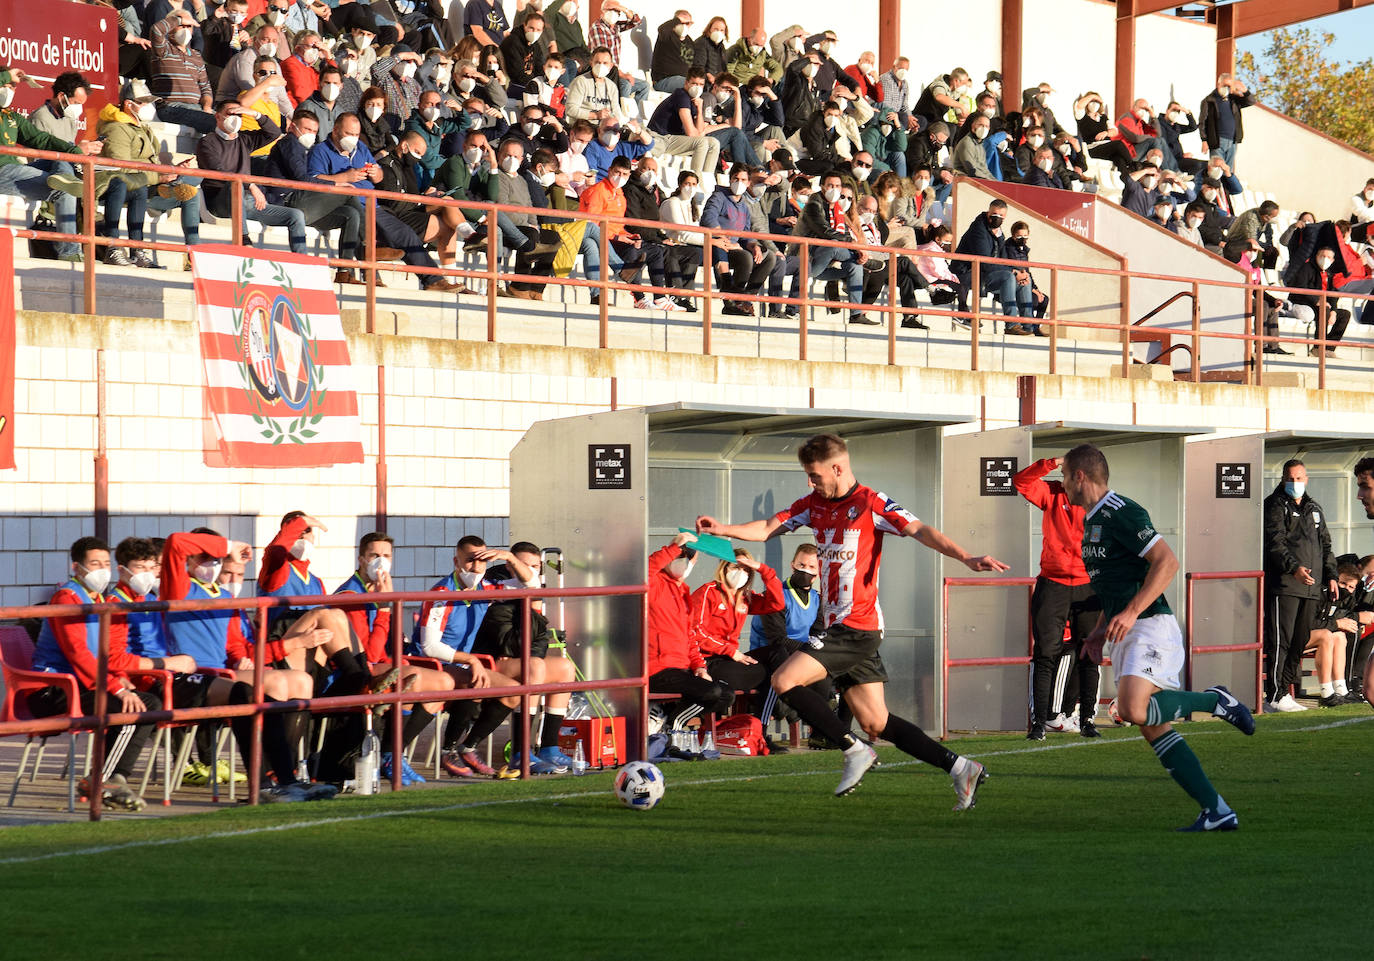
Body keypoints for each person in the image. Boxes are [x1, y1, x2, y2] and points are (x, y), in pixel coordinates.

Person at [696, 433, 1006, 806]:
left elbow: (921, 530)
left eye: (815, 475)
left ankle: (852, 748)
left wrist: (966, 557)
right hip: (836, 629)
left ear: (837, 468)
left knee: (783, 679)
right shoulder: (813, 504)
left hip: (856, 626)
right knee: (877, 722)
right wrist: (721, 529)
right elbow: (766, 528)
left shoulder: (872, 503)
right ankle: (961, 768)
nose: (810, 483)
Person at [1061, 444, 1254, 831]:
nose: (1062, 484)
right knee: (1150, 724)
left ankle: (1214, 701)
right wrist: (1101, 629)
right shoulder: (1092, 520)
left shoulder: (1122, 511)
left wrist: (1131, 612)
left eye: (1064, 475)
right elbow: (1117, 584)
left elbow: (1167, 562)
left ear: (1079, 475)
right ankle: (1216, 810)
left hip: (1150, 625)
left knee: (1130, 710)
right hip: (1127, 631)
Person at [28, 537, 162, 811]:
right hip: (52, 690)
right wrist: (116, 687)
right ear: (76, 567)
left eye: (105, 563)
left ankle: (112, 778)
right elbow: (78, 654)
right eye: (94, 564)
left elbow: (103, 654)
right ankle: (106, 780)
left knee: (147, 703)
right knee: (132, 707)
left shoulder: (99, 599)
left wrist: (118, 678)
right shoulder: (67, 597)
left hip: (81, 686)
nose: (102, 570)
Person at [413, 535, 523, 779]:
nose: (476, 567)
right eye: (470, 561)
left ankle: (468, 748)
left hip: (460, 664)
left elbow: (531, 585)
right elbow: (429, 647)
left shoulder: (486, 589)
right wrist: (471, 660)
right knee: (475, 678)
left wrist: (509, 557)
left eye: (481, 561)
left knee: (514, 692)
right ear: (456, 561)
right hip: (429, 664)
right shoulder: (442, 592)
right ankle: (447, 750)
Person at [474, 541, 581, 776]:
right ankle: (520, 752)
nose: (531, 571)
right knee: (534, 667)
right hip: (488, 659)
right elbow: (499, 636)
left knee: (563, 667)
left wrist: (534, 606)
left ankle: (549, 747)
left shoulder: (533, 591)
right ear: (509, 564)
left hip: (516, 658)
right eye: (524, 564)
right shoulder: (494, 583)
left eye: (536, 566)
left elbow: (538, 639)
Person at [1014, 457, 1102, 739]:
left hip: (1089, 585)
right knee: (1045, 654)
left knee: (1089, 653)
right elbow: (1020, 482)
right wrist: (1049, 462)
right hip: (1052, 584)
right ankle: (1039, 723)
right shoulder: (1051, 492)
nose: (1062, 477)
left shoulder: (1099, 501)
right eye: (1061, 472)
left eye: (1066, 473)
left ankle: (1087, 719)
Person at [1262, 459, 1338, 712]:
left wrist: (1332, 576)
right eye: (1291, 478)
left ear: (1307, 479)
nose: (1296, 483)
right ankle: (1274, 694)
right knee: (1280, 641)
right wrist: (1293, 568)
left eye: (1299, 478)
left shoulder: (1314, 507)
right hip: (1284, 585)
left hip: (1312, 587)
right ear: (1283, 479)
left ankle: (1285, 692)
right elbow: (1275, 543)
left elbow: (1325, 544)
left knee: (1300, 639)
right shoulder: (1274, 505)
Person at [648, 531, 736, 730]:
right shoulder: (654, 584)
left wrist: (699, 667)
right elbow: (643, 570)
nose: (684, 559)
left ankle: (671, 723)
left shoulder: (683, 591)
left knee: (726, 694)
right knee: (711, 691)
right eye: (680, 555)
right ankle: (672, 728)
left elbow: (690, 636)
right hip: (657, 669)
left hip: (681, 670)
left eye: (689, 556)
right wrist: (675, 547)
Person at [687, 549, 784, 708]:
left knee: (778, 653)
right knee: (768, 674)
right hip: (707, 661)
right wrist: (731, 652)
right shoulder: (709, 592)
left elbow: (777, 603)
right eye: (736, 567)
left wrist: (763, 569)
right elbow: (695, 632)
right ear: (724, 568)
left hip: (731, 659)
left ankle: (768, 713)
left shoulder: (745, 598)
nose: (741, 572)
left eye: (746, 569)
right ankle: (769, 714)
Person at [701, 164, 776, 315]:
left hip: (733, 247)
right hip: (717, 245)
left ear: (749, 183)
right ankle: (731, 301)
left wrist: (753, 245)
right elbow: (709, 218)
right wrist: (725, 238)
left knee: (770, 258)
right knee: (745, 257)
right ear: (730, 180)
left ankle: (745, 298)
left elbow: (745, 233)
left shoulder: (744, 207)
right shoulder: (719, 197)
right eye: (736, 178)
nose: (739, 183)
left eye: (743, 180)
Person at [952, 199, 1031, 327]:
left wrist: (1020, 272)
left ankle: (1028, 327)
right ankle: (1011, 325)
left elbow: (1004, 259)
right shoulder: (978, 230)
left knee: (1025, 282)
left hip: (986, 274)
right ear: (988, 213)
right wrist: (1012, 272)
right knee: (1008, 277)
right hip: (968, 274)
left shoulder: (999, 233)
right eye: (995, 215)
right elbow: (985, 263)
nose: (997, 218)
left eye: (1001, 216)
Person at [645, 66, 723, 179]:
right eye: (694, 84)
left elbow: (700, 132)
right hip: (661, 137)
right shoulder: (681, 95)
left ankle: (707, 180)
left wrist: (700, 109)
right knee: (701, 143)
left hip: (673, 138)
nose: (698, 88)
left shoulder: (695, 100)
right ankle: (695, 179)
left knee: (714, 143)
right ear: (686, 83)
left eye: (701, 85)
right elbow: (692, 134)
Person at [150, 4, 217, 132]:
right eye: (181, 25)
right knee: (213, 123)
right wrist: (179, 19)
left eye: (189, 26)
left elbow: (205, 87)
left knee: (226, 122)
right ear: (170, 28)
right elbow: (156, 30)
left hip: (196, 108)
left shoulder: (196, 55)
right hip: (171, 107)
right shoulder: (163, 50)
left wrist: (207, 106)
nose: (185, 29)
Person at [1197, 73, 1254, 172]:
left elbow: (1250, 101)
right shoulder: (1209, 100)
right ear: (1218, 84)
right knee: (1216, 170)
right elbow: (1202, 122)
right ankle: (1215, 187)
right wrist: (1204, 140)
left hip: (1232, 141)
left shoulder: (1234, 99)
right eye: (1224, 85)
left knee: (1228, 171)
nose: (1226, 88)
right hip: (1217, 141)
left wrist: (1244, 90)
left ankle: (1227, 188)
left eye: (1229, 86)